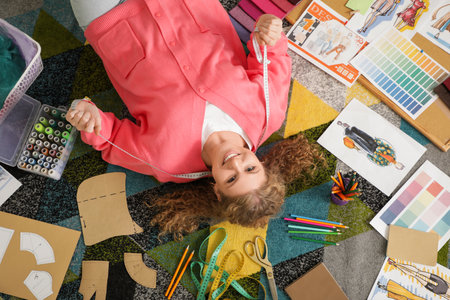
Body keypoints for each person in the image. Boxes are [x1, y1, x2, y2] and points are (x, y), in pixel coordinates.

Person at [67, 0, 325, 238]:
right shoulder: (269, 113)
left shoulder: (167, 164)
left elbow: (110, 139)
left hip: (113, 22)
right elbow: (271, 56)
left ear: (217, 191)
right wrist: (270, 34)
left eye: (231, 179)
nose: (235, 164)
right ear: (263, 163)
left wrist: (89, 116)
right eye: (250, 168)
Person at [337, 121, 404, 169]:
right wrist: (378, 141)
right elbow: (387, 145)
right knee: (364, 135)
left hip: (371, 152)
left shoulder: (385, 164)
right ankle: (351, 128)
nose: (398, 164)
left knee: (359, 141)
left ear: (396, 167)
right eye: (400, 164)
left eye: (398, 166)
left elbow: (374, 161)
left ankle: (346, 130)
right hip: (376, 145)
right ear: (400, 162)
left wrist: (368, 155)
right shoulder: (393, 153)